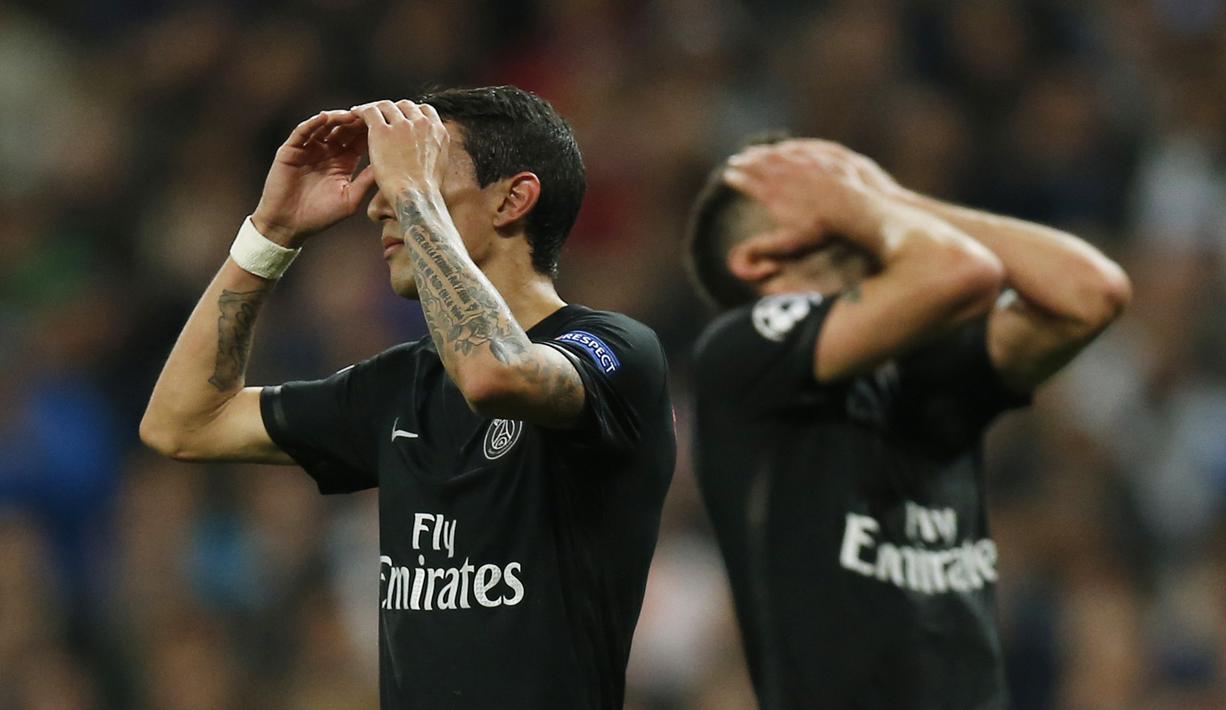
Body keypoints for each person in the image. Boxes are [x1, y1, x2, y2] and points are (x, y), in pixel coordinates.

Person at [140, 86, 676, 709]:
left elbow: (493, 375)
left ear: (514, 198)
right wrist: (272, 232)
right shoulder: (399, 386)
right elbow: (183, 424)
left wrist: (415, 193)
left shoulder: (617, 353)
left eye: (417, 168)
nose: (379, 205)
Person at [685, 138, 1130, 709]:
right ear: (759, 260)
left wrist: (891, 198)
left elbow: (1092, 291)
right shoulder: (740, 354)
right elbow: (963, 272)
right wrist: (868, 203)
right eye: (827, 197)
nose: (857, 198)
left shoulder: (928, 371)